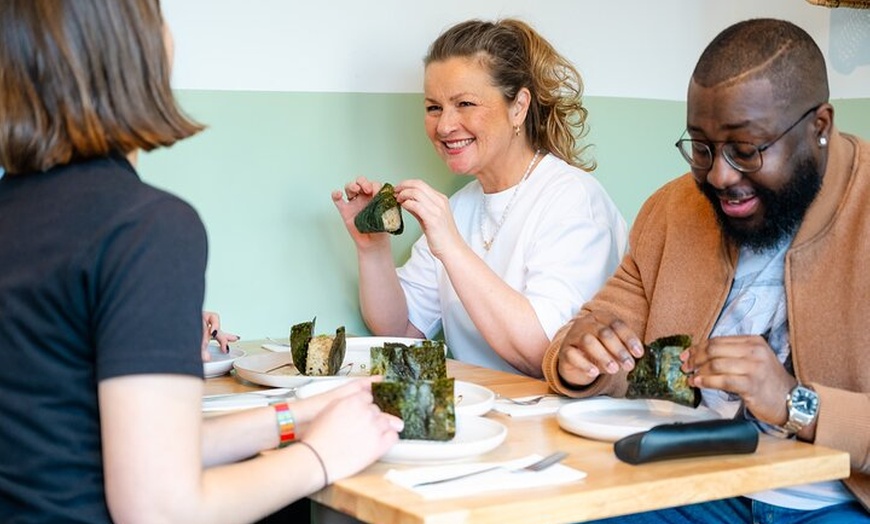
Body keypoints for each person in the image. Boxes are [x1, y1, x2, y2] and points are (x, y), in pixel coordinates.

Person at [0, 2, 402, 522]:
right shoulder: (144, 227)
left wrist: (301, 416)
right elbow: (159, 507)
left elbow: (123, 445)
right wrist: (321, 456)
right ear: (132, 50)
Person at [543, 18, 869, 522]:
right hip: (692, 485)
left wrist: (794, 402)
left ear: (819, 127)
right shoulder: (671, 210)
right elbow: (597, 332)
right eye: (701, 148)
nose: (719, 175)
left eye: (746, 151)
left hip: (836, 502)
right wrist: (578, 358)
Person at [332, 18, 627, 377]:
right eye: (433, 107)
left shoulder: (573, 199)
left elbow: (547, 352)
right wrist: (373, 249)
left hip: (550, 409)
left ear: (518, 107)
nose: (444, 125)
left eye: (465, 103)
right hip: (479, 404)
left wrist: (451, 246)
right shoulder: (460, 205)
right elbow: (401, 329)